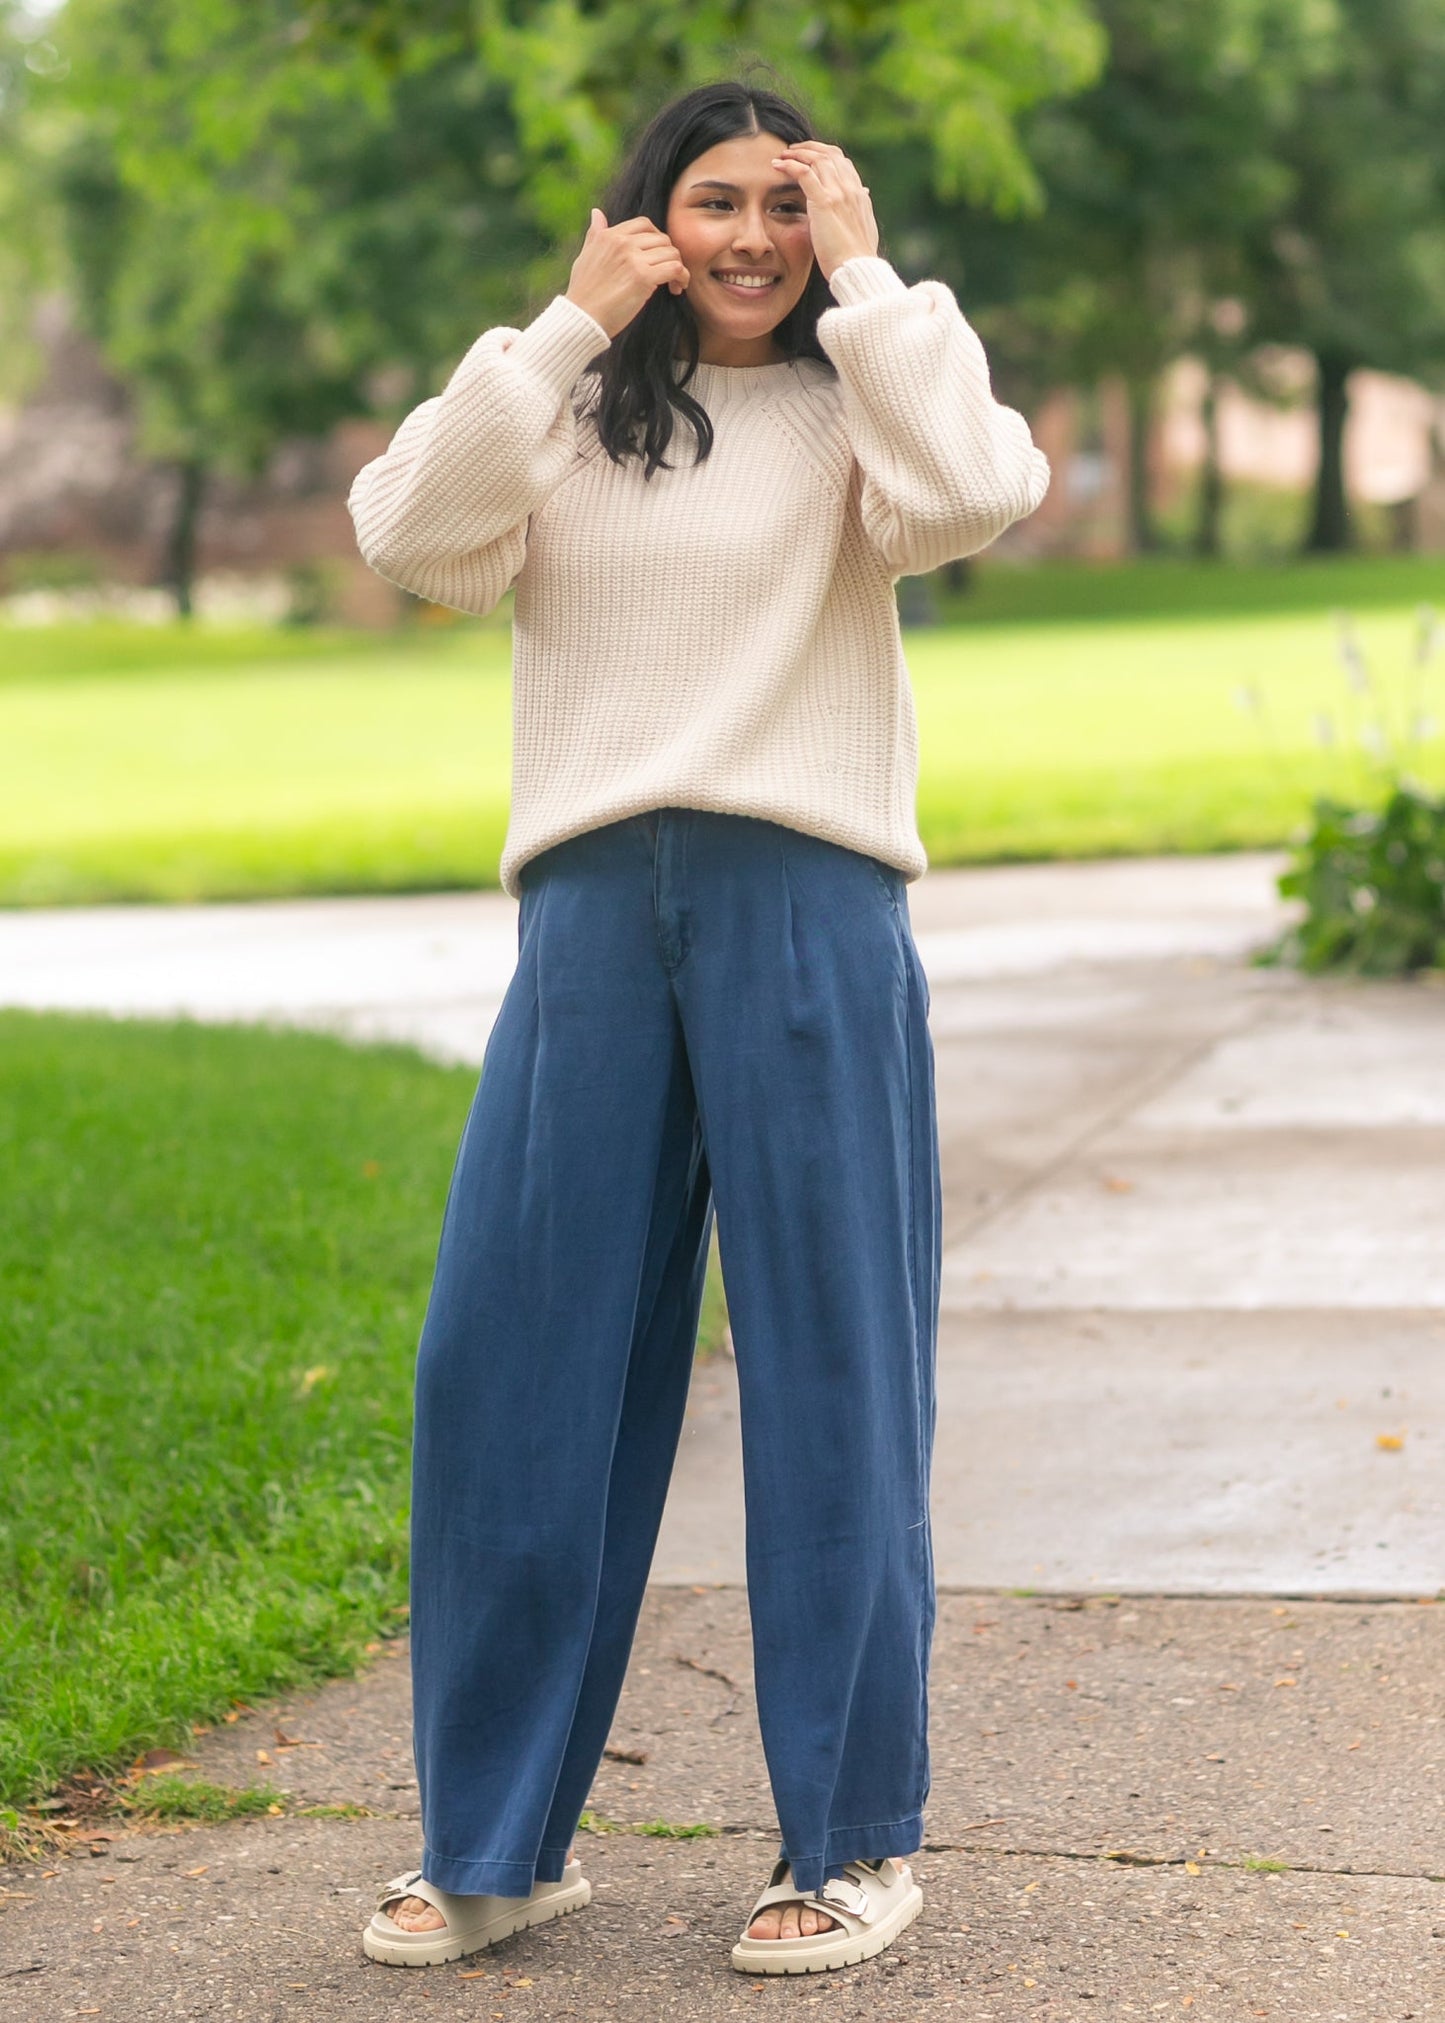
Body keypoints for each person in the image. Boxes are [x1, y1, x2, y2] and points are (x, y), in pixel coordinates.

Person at [347, 76, 1049, 1977]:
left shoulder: (865, 403)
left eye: (781, 203)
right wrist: (567, 321)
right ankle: (493, 1845)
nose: (748, 240)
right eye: (710, 204)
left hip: (807, 905)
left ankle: (850, 1845)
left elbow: (981, 491)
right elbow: (407, 531)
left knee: (833, 1370)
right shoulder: (564, 410)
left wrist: (876, 279)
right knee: (510, 1376)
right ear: (650, 217)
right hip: (586, 926)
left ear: (823, 211)